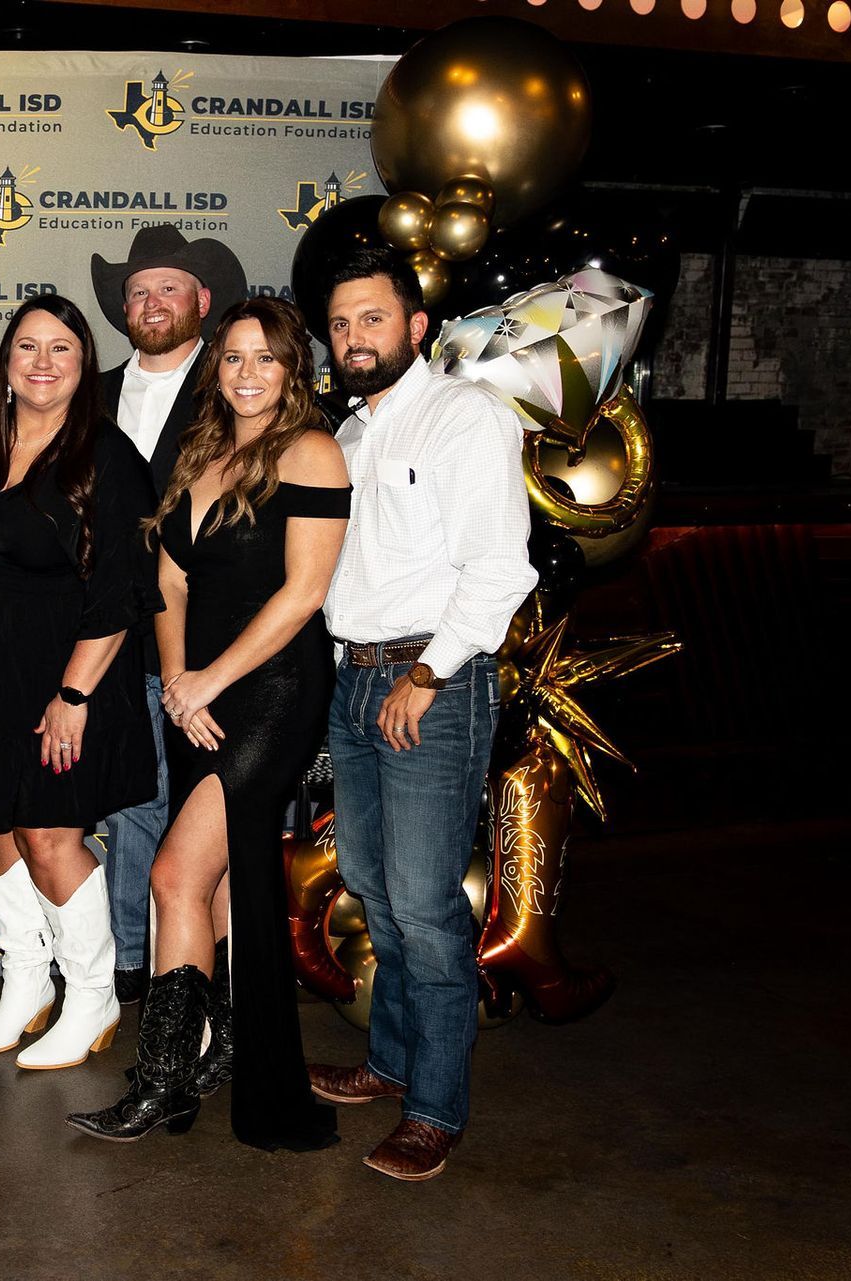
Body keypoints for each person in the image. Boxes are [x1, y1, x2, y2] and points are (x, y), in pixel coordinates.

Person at [67, 298, 350, 1150]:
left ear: (293, 369)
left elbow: (303, 594)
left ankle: (160, 1081)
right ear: (214, 366)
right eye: (233, 358)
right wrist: (179, 680)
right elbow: (173, 583)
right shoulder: (203, 452)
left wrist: (209, 682)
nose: (248, 373)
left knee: (172, 877)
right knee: (222, 886)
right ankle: (222, 1050)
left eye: (266, 358)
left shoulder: (313, 450)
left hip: (270, 696)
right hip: (198, 695)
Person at [312, 247, 537, 1181]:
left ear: (417, 328)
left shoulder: (465, 417)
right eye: (340, 324)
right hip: (355, 681)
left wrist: (431, 675)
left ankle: (436, 1107)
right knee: (374, 886)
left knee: (431, 909)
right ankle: (391, 1060)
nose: (354, 338)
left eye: (372, 318)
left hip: (430, 687)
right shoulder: (350, 439)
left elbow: (500, 568)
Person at [0, 294, 161, 1071]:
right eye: (28, 347)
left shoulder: (108, 454)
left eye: (61, 349)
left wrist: (74, 697)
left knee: (51, 832)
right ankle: (25, 982)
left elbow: (125, 588)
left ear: (83, 363)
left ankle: (92, 994)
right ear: (5, 360)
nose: (42, 363)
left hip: (69, 673)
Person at [88, 225, 248, 1004]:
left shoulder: (238, 395)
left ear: (203, 302)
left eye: (169, 289)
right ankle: (128, 974)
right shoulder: (87, 393)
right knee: (127, 813)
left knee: (187, 823)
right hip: (104, 643)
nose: (152, 302)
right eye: (139, 291)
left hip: (203, 649)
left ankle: (183, 983)